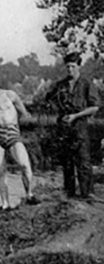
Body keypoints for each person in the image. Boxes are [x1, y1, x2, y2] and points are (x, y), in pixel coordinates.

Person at [0, 71, 39, 210]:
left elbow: (24, 113)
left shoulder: (10, 95)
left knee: (24, 165)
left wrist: (15, 125)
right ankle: (5, 204)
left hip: (13, 133)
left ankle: (29, 194)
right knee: (1, 169)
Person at [45, 52, 102, 201]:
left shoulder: (86, 84)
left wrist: (76, 116)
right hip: (64, 125)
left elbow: (95, 107)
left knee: (83, 160)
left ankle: (86, 193)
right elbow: (48, 99)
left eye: (73, 66)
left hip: (79, 124)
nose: (70, 69)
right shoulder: (60, 85)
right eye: (67, 66)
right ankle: (69, 194)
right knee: (67, 161)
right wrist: (55, 107)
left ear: (79, 66)